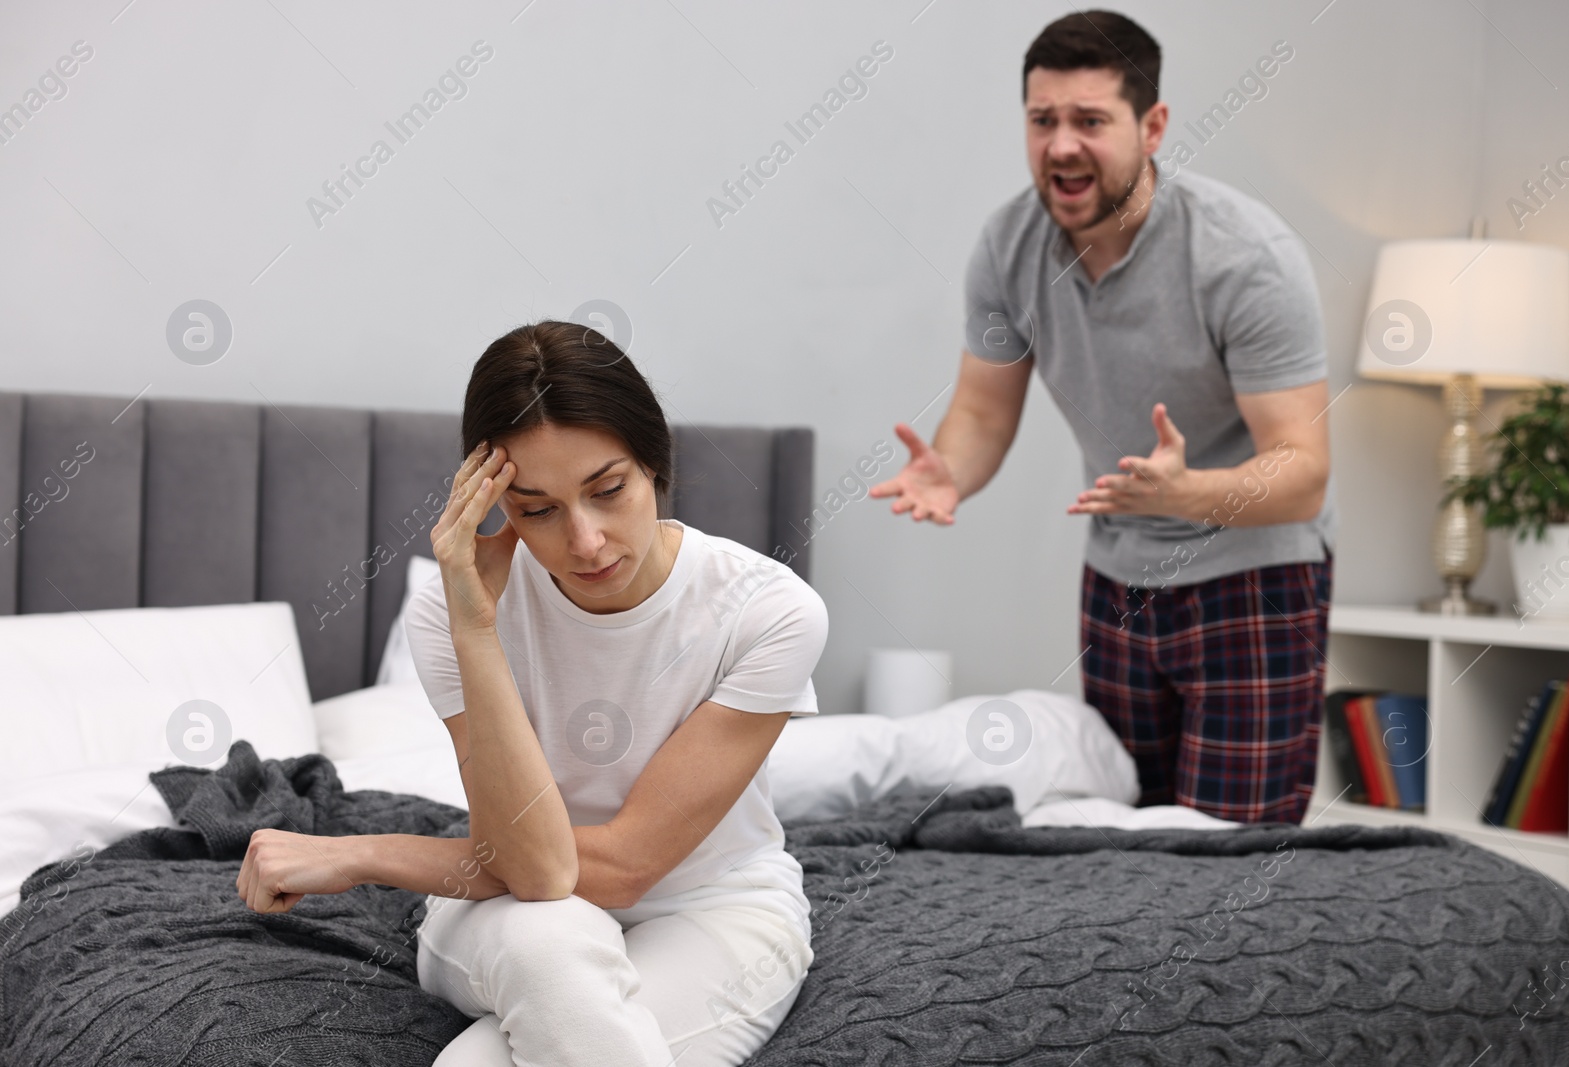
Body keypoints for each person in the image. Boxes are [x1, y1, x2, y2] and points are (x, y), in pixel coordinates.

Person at [233, 320, 827, 1067]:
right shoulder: (448, 614)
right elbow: (537, 875)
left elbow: (618, 868)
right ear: (494, 504)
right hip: (507, 907)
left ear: (654, 465)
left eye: (607, 490)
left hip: (715, 908)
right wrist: (476, 631)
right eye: (537, 509)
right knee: (552, 934)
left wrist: (358, 854)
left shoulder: (768, 611)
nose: (585, 540)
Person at [868, 9, 1336, 825]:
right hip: (1118, 581)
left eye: (1090, 121)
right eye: (1043, 120)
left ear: (1152, 127)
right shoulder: (1006, 246)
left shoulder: (1245, 259)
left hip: (1252, 582)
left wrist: (1185, 494)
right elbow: (981, 409)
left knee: (1225, 859)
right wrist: (951, 470)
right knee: (1116, 841)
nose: (1060, 146)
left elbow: (1301, 472)